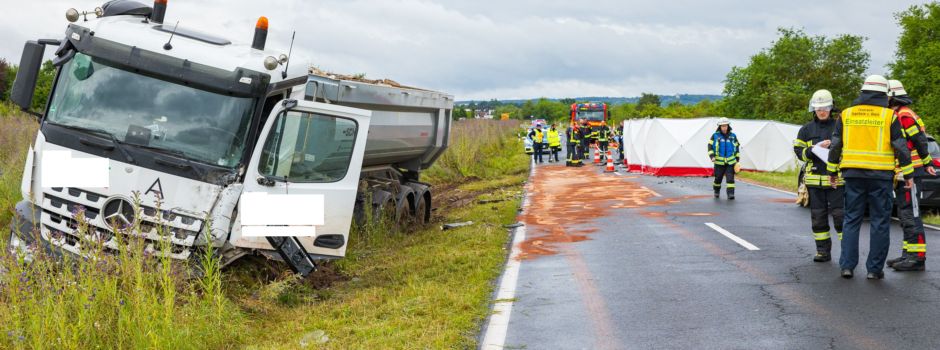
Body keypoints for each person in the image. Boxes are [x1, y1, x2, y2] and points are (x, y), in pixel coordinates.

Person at [827, 74, 914, 280]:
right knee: (880, 222)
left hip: (853, 174)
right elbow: (900, 147)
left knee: (851, 219)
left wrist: (832, 171)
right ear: (885, 94)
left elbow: (836, 144)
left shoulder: (847, 115)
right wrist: (908, 173)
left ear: (863, 91)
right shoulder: (889, 116)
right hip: (881, 176)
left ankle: (847, 267)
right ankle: (874, 270)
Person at [886, 79, 936, 272]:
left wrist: (926, 161)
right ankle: (908, 254)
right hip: (905, 172)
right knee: (904, 213)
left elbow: (918, 140)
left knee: (912, 214)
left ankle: (917, 258)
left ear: (892, 97)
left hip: (912, 172)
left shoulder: (904, 116)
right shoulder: (899, 114)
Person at [794, 89, 844, 263]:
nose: (822, 111)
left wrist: (835, 149)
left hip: (837, 181)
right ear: (813, 109)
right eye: (818, 108)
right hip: (814, 182)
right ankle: (823, 251)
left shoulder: (841, 126)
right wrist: (814, 149)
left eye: (825, 108)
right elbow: (799, 153)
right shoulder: (806, 130)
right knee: (818, 218)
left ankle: (847, 253)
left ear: (831, 108)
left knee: (840, 218)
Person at [707, 118, 741, 199]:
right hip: (719, 162)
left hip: (730, 162)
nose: (724, 127)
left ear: (728, 126)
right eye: (722, 126)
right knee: (718, 179)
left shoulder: (733, 136)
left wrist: (737, 160)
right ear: (720, 126)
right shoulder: (715, 136)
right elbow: (710, 146)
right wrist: (712, 157)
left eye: (725, 126)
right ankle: (716, 191)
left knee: (730, 179)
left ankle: (730, 194)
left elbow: (737, 147)